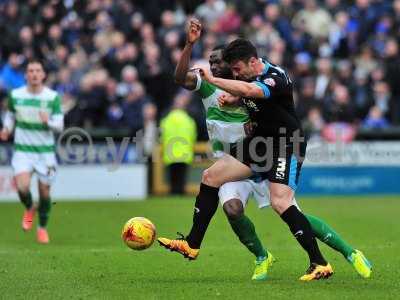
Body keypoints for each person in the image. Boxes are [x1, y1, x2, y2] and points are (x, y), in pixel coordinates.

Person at [159, 33, 372, 280]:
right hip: (258, 143)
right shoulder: (249, 74)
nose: (235, 74)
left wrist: (214, 79)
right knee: (211, 176)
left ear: (252, 61)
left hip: (285, 144)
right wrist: (235, 99)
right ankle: (192, 244)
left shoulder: (275, 77)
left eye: (237, 69)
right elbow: (247, 92)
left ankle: (321, 262)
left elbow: (252, 89)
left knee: (281, 203)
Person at [0, 59, 64, 244]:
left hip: (45, 153)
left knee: (44, 194)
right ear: (26, 75)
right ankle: (29, 208)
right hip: (23, 150)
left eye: (38, 70)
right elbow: (11, 115)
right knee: (22, 187)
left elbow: (59, 125)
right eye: (31, 71)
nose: (34, 74)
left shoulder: (52, 97)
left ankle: (42, 228)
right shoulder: (16, 95)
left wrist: (48, 122)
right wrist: (7, 129)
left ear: (43, 75)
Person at [160, 92, 197, 195]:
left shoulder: (166, 120)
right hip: (184, 153)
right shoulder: (189, 120)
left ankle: (173, 193)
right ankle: (181, 192)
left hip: (170, 153)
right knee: (181, 178)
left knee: (172, 178)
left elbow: (162, 136)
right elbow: (193, 136)